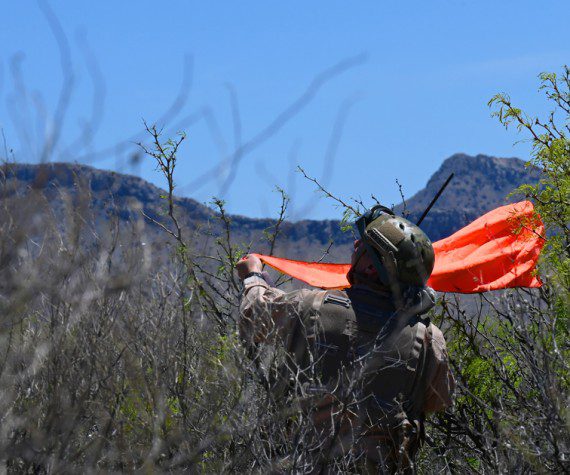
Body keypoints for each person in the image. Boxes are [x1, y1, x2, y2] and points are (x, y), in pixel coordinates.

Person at [236, 205, 454, 473]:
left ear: (375, 270)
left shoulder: (311, 306)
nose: (354, 245)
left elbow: (253, 317)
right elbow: (438, 401)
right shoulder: (430, 337)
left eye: (364, 246)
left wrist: (254, 276)